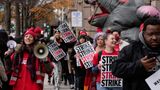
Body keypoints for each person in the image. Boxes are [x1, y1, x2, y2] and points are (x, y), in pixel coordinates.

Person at [111, 17, 160, 90]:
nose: (154, 38)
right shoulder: (131, 49)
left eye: (158, 34)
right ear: (143, 33)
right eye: (150, 34)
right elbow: (116, 69)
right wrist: (139, 65)